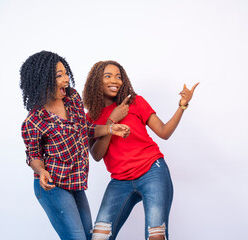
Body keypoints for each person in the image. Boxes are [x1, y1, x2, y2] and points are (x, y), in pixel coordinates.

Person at [20, 51, 130, 240]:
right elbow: (33, 156)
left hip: (74, 182)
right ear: (42, 80)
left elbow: (84, 129)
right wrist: (42, 171)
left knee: (89, 237)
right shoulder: (35, 120)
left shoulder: (72, 98)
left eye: (65, 74)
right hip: (52, 185)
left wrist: (110, 130)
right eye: (59, 76)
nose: (66, 80)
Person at [83, 60, 199, 240]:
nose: (115, 80)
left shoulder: (135, 102)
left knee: (156, 235)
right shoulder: (90, 117)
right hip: (120, 180)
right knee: (99, 236)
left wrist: (182, 105)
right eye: (108, 76)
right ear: (96, 81)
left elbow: (164, 132)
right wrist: (111, 121)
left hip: (152, 171)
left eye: (118, 76)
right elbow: (97, 155)